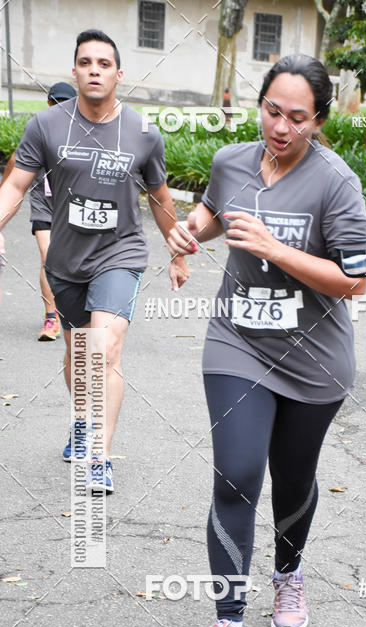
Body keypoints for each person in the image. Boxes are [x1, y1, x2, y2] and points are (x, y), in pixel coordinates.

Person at [168, 55, 366, 627]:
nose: (281, 127)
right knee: (236, 475)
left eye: (298, 118)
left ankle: (288, 573)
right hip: (238, 340)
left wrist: (275, 249)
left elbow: (354, 281)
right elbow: (212, 214)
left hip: (314, 361)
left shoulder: (336, 183)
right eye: (272, 111)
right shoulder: (232, 161)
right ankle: (228, 625)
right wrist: (187, 233)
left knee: (293, 477)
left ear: (320, 120)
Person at [0, 29, 188, 493]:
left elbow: (160, 197)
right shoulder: (46, 126)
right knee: (79, 354)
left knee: (105, 350)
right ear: (74, 71)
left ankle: (99, 456)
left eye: (104, 64)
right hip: (65, 260)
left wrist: (177, 251)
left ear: (119, 74)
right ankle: (82, 420)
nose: (94, 71)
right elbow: (15, 185)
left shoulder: (143, 132)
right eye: (85, 63)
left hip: (120, 254)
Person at [1, 82, 77, 341]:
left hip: (73, 207)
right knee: (49, 258)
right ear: (48, 103)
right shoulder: (39, 129)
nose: (60, 107)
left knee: (75, 262)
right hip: (43, 205)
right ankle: (51, 318)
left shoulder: (83, 132)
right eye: (56, 102)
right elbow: (16, 161)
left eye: (66, 103)